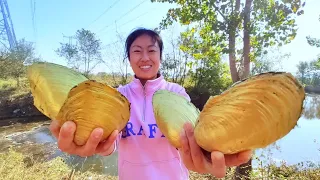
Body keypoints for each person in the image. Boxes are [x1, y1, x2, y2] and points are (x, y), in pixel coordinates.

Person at [49, 28, 252, 180]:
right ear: (129, 58)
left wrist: (208, 152)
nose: (145, 57)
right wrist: (100, 146)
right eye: (137, 51)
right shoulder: (117, 97)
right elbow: (111, 142)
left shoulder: (176, 93)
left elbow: (191, 140)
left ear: (160, 57)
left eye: (151, 50)